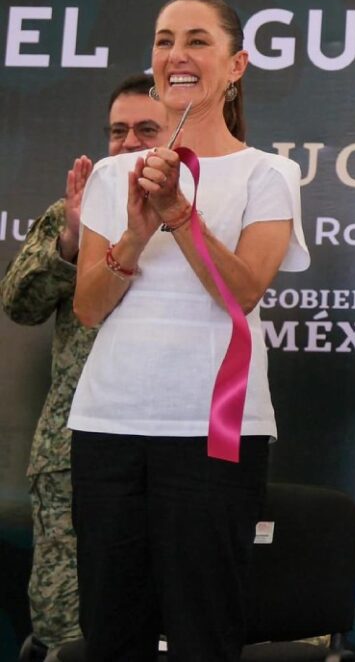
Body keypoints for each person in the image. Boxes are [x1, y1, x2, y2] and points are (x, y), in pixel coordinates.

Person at [69, 0, 309, 660]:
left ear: (236, 66)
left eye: (197, 41)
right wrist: (136, 234)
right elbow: (89, 307)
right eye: (164, 39)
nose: (176, 55)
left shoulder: (270, 173)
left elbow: (244, 291)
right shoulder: (117, 175)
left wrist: (178, 213)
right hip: (108, 425)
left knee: (205, 631)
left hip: (212, 431)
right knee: (113, 633)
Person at [1, 74, 170, 661]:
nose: (126, 143)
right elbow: (18, 304)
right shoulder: (69, 215)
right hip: (71, 453)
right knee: (69, 632)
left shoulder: (201, 214)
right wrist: (71, 241)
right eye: (116, 131)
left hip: (168, 447)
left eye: (145, 129)